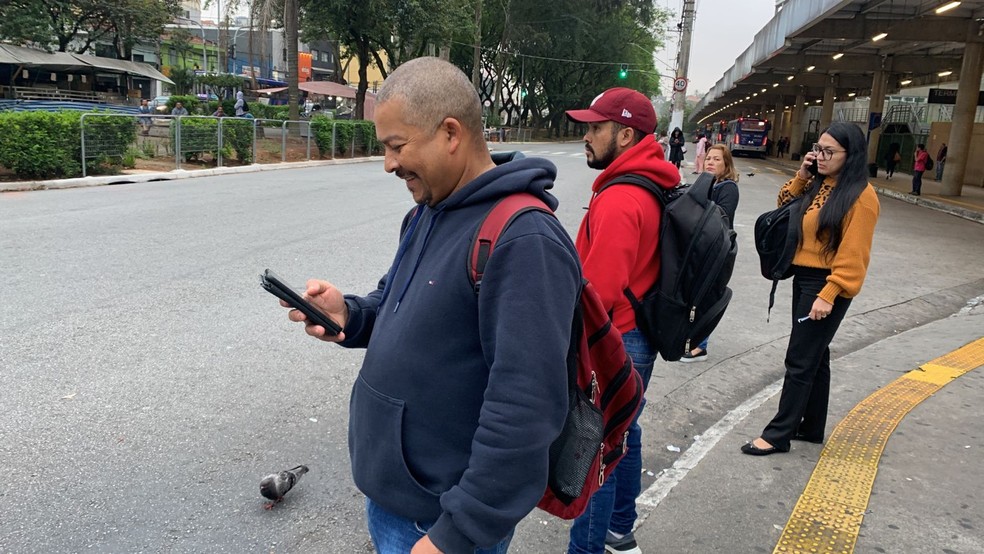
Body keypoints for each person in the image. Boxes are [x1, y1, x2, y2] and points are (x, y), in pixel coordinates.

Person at [281, 57, 581, 554]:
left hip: (440, 523)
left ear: (450, 133)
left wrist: (459, 533)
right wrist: (350, 316)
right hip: (397, 500)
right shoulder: (427, 213)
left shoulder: (524, 240)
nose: (389, 164)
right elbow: (398, 308)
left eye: (397, 146)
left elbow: (526, 407)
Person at [565, 87, 681, 554]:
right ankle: (619, 530)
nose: (586, 137)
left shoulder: (620, 197)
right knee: (624, 432)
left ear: (626, 133)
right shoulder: (651, 180)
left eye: (596, 128)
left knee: (596, 451)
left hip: (615, 336)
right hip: (639, 333)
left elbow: (599, 292)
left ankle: (588, 548)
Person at [741, 122, 880, 456]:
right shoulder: (820, 184)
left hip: (825, 284)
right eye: (818, 148)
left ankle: (778, 434)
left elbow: (853, 255)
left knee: (800, 359)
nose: (820, 156)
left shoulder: (861, 197)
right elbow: (784, 205)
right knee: (816, 357)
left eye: (829, 152)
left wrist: (829, 295)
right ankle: (812, 426)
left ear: (852, 156)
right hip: (804, 279)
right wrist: (804, 175)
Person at [679, 143, 740, 363]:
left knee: (706, 297)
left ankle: (700, 347)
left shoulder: (728, 188)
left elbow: (720, 216)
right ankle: (691, 341)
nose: (711, 162)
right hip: (704, 247)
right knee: (695, 295)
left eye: (717, 159)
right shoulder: (709, 183)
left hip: (718, 250)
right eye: (709, 159)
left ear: (726, 164)